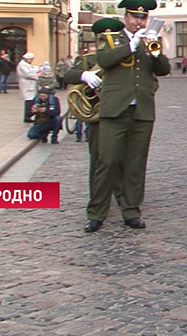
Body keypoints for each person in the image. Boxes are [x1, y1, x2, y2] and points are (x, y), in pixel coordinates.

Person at [90, 0, 171, 232]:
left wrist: (155, 50)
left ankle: (131, 210)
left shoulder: (149, 40)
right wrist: (130, 45)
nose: (138, 22)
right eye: (135, 17)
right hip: (115, 109)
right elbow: (104, 60)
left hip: (142, 109)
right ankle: (96, 212)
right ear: (125, 17)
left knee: (136, 164)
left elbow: (164, 69)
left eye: (142, 17)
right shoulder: (111, 38)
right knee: (107, 161)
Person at [65, 18, 127, 233]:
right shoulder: (89, 59)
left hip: (123, 114)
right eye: (103, 38)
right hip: (99, 118)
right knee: (100, 161)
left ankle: (123, 198)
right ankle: (98, 201)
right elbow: (65, 75)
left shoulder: (125, 57)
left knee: (124, 161)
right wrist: (84, 75)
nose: (107, 42)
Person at [17, 52, 39, 122]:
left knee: (31, 100)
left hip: (30, 85)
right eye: (31, 59)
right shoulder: (22, 65)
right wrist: (37, 76)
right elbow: (28, 74)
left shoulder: (25, 64)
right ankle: (27, 116)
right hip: (27, 85)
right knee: (29, 101)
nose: (32, 61)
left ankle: (29, 115)